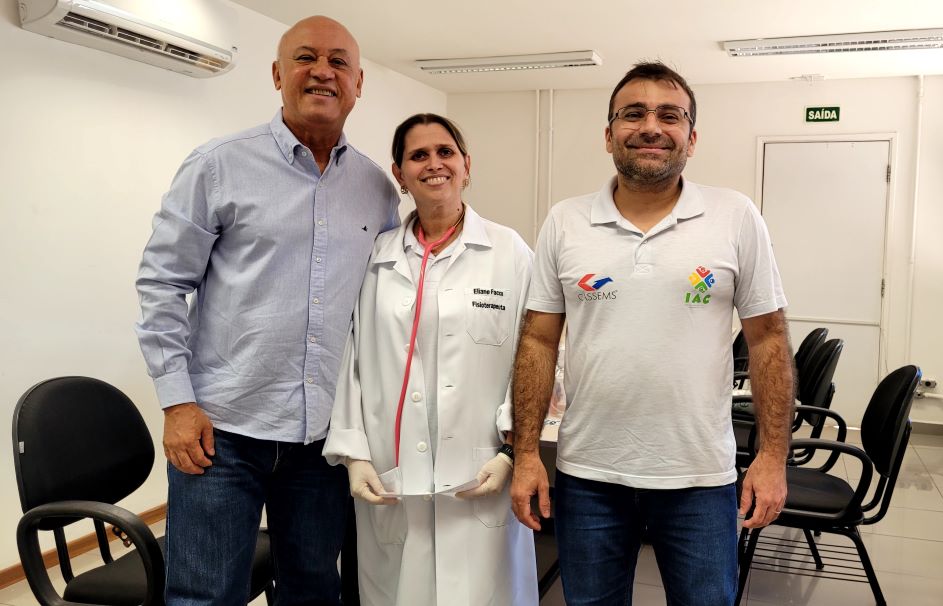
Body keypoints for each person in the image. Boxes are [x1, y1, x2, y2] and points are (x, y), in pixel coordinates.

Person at [134, 16, 399, 606]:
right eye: (305, 58)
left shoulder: (379, 190)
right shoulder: (219, 164)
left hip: (323, 440)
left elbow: (388, 304)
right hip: (220, 432)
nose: (322, 71)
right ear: (278, 74)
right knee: (205, 595)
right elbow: (161, 283)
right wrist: (177, 401)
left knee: (312, 589)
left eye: (338, 62)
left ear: (359, 83)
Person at [509, 61, 794, 606]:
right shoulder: (565, 222)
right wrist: (526, 455)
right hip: (588, 474)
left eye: (670, 115)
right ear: (609, 133)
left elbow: (769, 340)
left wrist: (772, 456)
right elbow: (538, 341)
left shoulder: (734, 216)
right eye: (632, 114)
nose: (651, 126)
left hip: (699, 476)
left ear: (692, 135)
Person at [323, 114, 539, 606]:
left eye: (446, 152)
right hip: (392, 478)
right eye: (418, 156)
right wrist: (355, 454)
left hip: (481, 471)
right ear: (399, 173)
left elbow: (541, 358)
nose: (434, 164)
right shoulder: (375, 257)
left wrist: (512, 451)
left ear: (467, 166)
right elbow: (348, 359)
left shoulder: (510, 253)